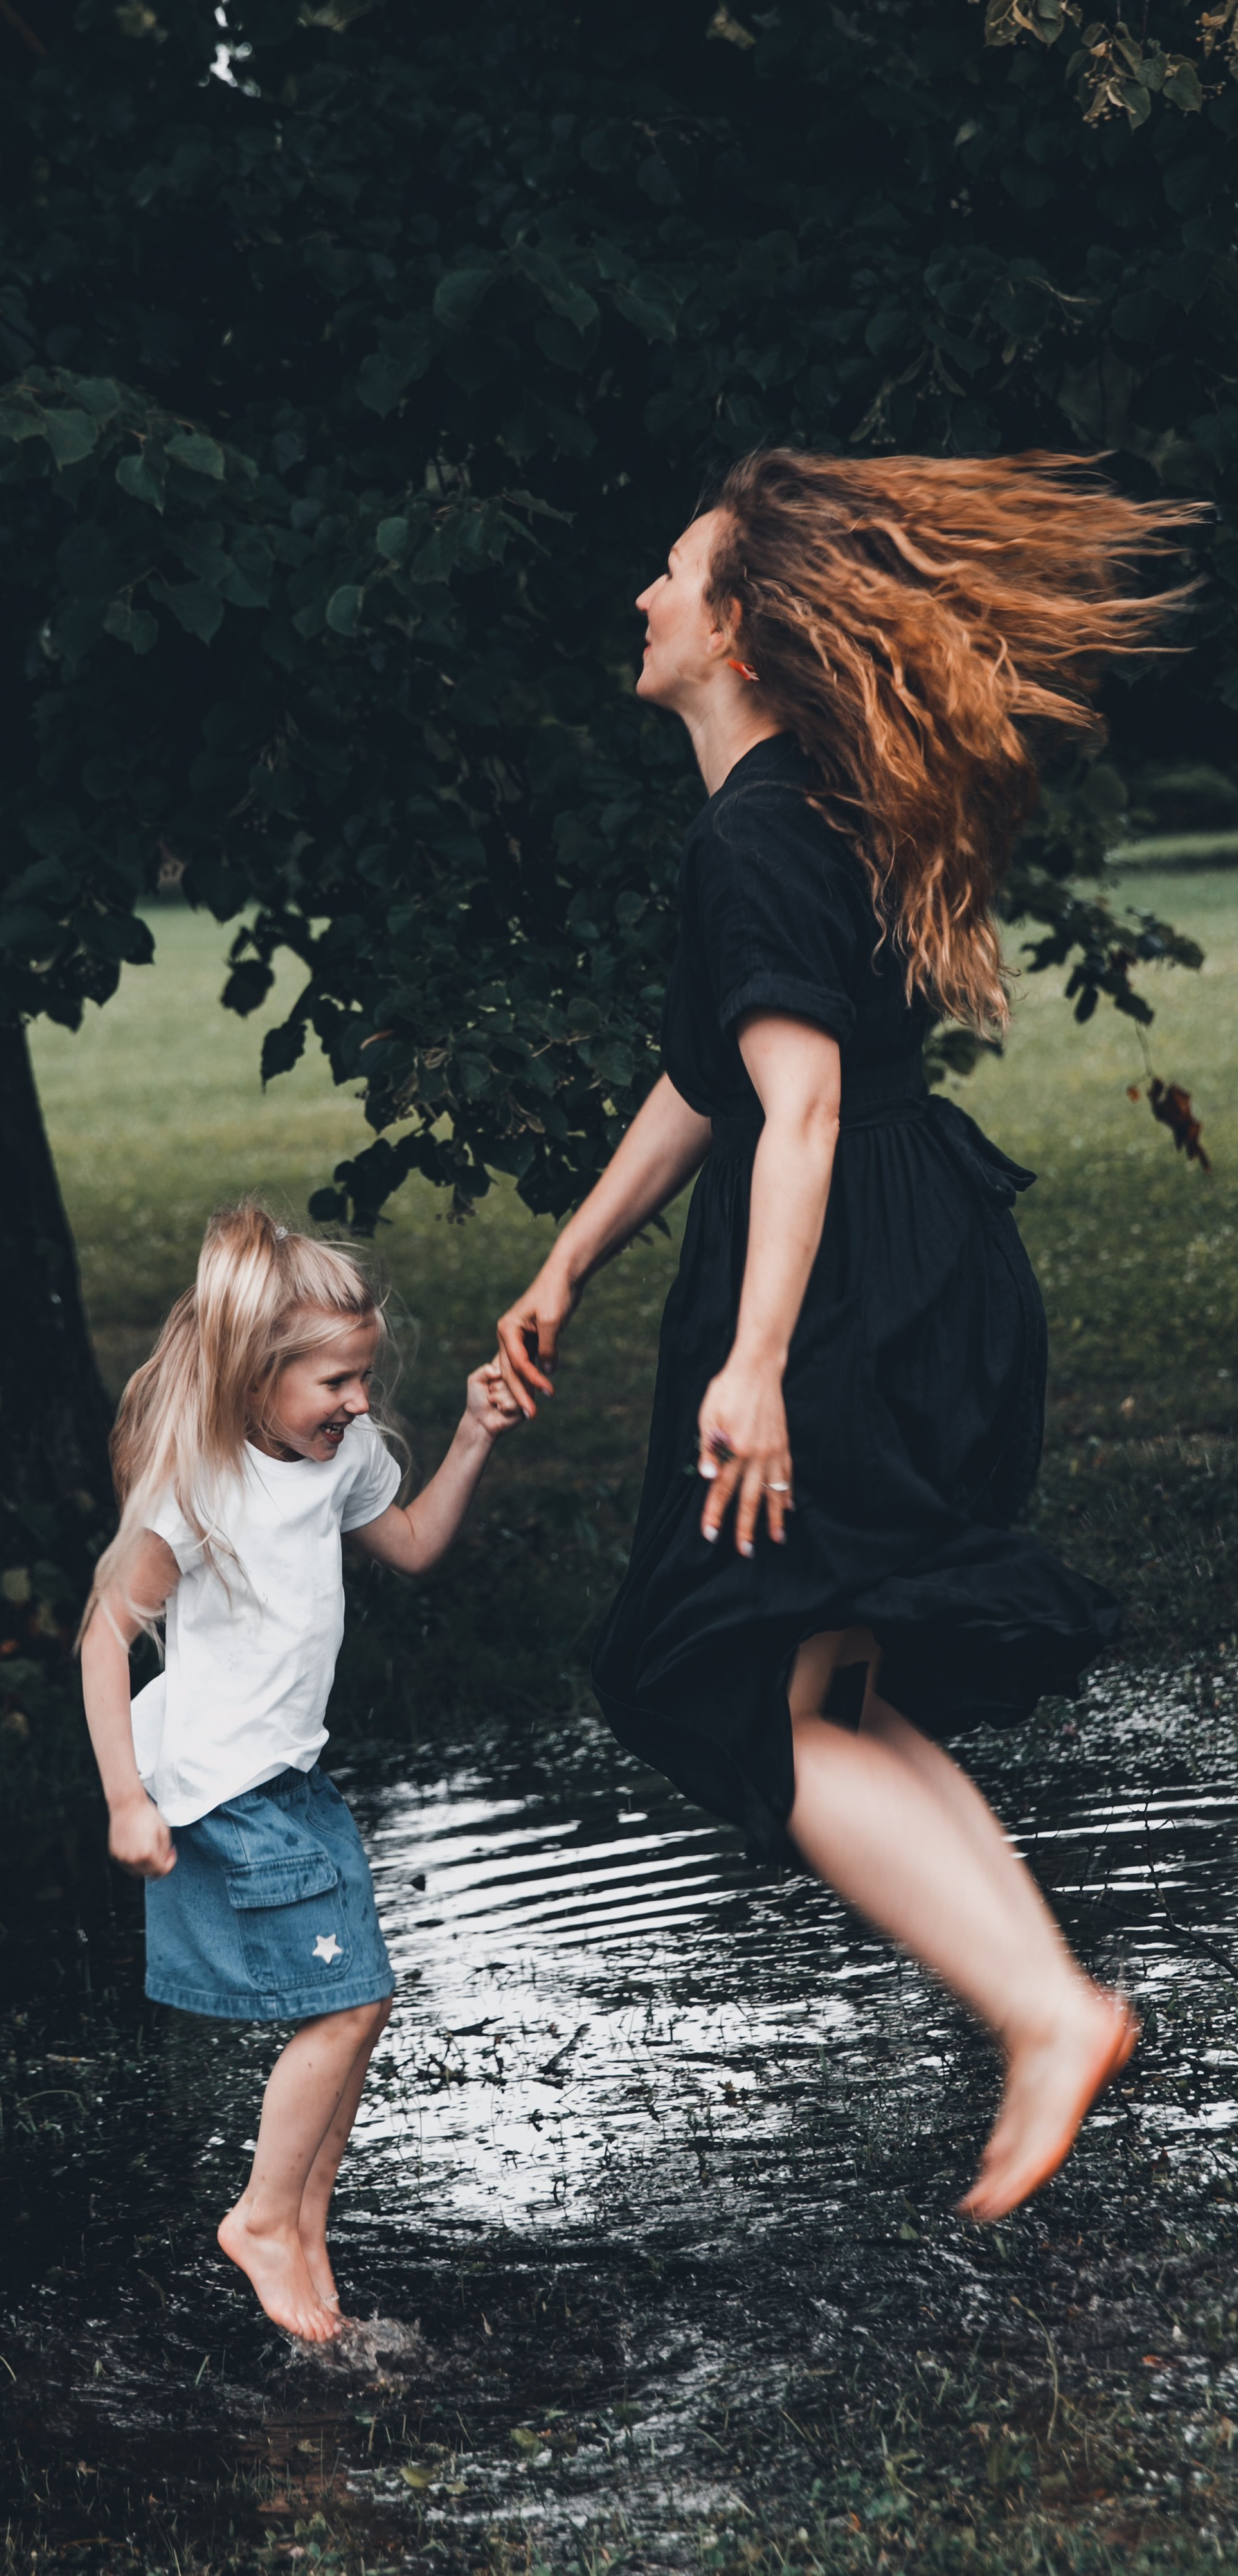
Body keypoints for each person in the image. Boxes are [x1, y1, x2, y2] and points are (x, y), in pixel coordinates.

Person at [494, 449, 1200, 2224]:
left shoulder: (753, 832)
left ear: (731, 630)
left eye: (667, 575)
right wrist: (570, 1265)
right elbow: (714, 1073)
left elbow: (790, 1110)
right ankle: (1060, 2005)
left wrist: (750, 1361)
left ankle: (1044, 2010)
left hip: (846, 1269)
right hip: (919, 1241)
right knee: (831, 1675)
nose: (642, 601)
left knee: (717, 1665)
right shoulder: (806, 804)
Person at [80, 1201, 520, 2341]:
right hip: (223, 1791)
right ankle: (264, 2219)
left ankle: (307, 2223)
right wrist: (127, 1798)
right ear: (252, 1377)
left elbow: (415, 1547)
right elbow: (100, 1639)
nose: (360, 1402)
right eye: (335, 1383)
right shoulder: (195, 1489)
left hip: (295, 1783)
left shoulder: (341, 1459)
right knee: (346, 2004)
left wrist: (473, 1432)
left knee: (361, 2004)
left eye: (363, 1379)